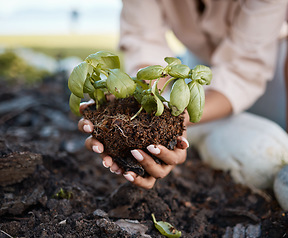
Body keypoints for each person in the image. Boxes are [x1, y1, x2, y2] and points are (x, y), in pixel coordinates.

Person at [78, 0, 288, 190]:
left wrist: (176, 121)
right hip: (199, 63)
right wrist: (137, 103)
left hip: (272, 68)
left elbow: (242, 71)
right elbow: (146, 46)